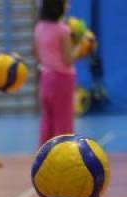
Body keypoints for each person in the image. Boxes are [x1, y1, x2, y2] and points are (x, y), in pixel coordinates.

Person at [33, 0, 92, 146]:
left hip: (46, 77)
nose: (68, 6)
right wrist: (82, 47)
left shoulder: (39, 27)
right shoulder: (62, 30)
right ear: (58, 6)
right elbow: (68, 59)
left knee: (47, 121)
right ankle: (64, 154)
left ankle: (44, 154)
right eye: (65, 3)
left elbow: (37, 55)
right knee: (63, 121)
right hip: (62, 79)